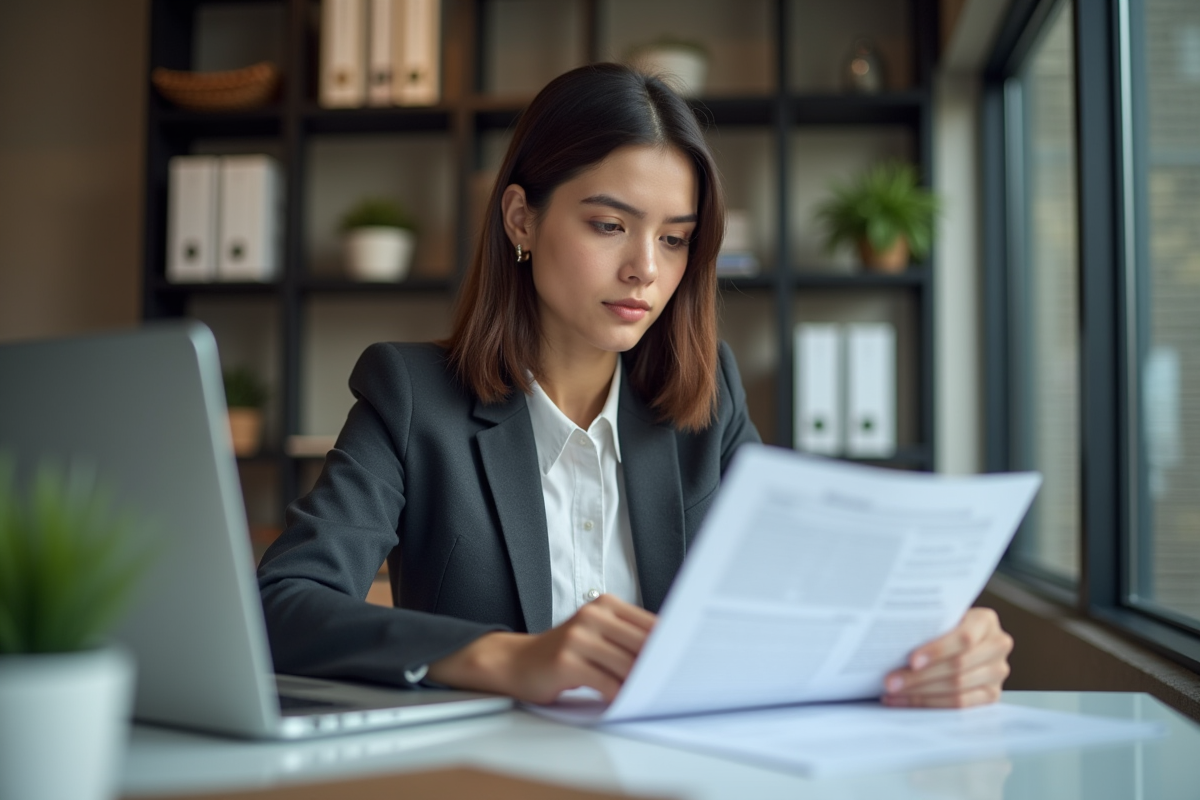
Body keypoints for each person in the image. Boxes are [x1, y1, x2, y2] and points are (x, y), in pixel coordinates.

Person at [257, 63, 1013, 709]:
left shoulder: (706, 396)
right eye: (609, 225)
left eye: (675, 238)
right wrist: (509, 659)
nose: (646, 270)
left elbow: (797, 599)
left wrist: (935, 643)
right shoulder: (412, 395)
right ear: (521, 218)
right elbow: (281, 607)